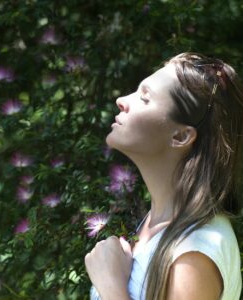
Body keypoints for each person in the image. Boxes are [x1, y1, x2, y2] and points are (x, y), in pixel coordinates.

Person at [84, 52, 243, 300]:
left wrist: (110, 285)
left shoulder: (194, 251)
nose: (122, 100)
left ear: (180, 136)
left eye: (144, 98)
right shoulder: (156, 226)